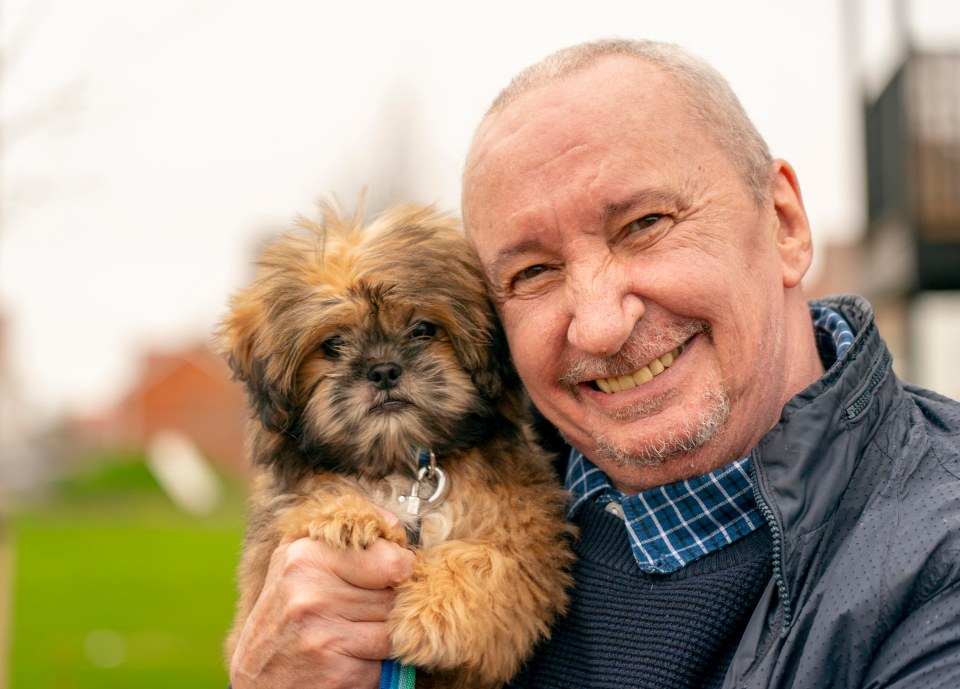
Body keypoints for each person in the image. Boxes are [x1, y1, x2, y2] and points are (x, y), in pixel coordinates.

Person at [229, 39, 960, 689]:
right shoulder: (482, 467)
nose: (602, 323)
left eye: (644, 225)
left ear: (785, 225)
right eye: (534, 271)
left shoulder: (934, 560)